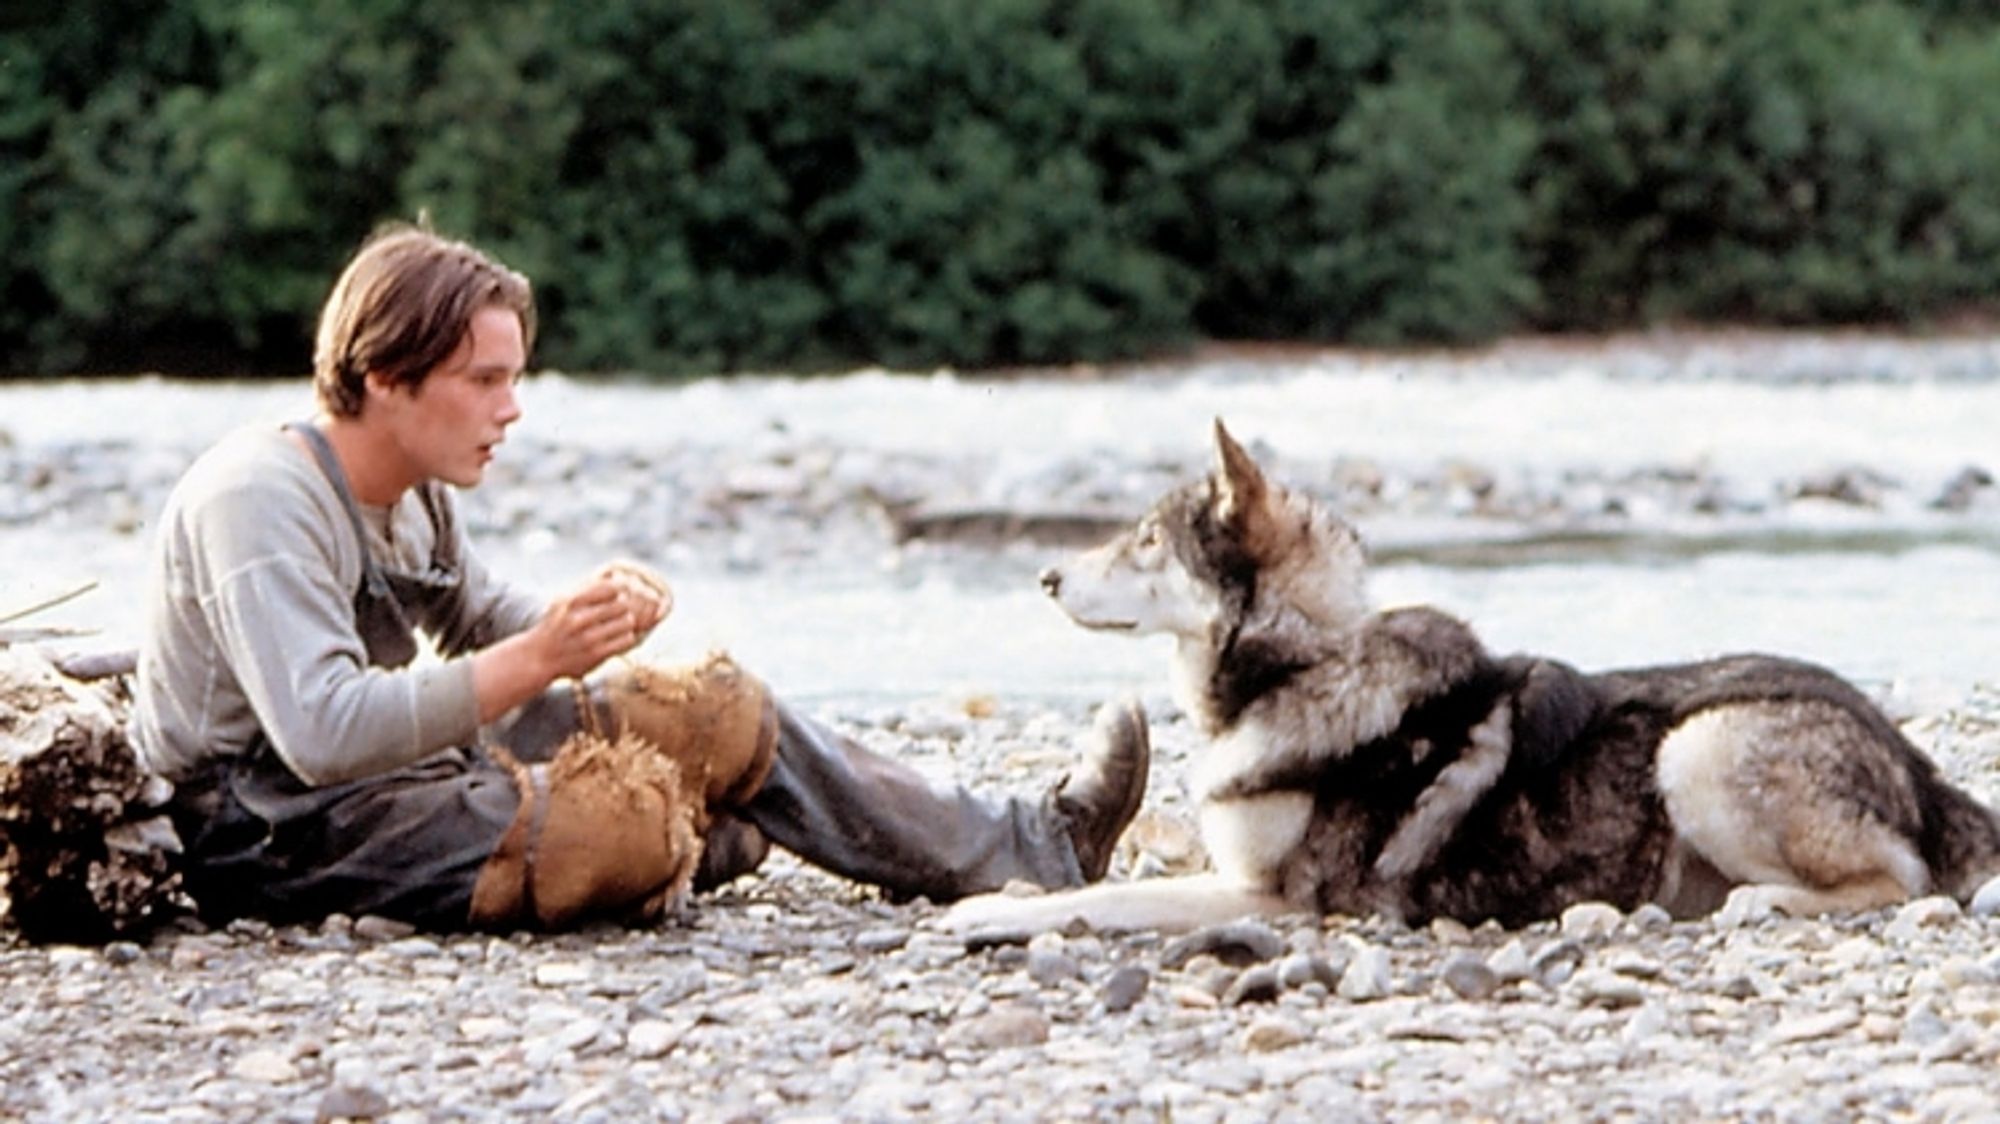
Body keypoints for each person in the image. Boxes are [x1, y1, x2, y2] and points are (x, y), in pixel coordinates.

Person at [128, 223, 1150, 932]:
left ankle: (1031, 842)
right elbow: (319, 731)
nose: (510, 408)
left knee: (716, 708)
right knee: (615, 825)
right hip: (264, 826)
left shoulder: (415, 485)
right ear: (387, 377)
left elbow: (483, 613)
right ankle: (688, 841)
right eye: (485, 380)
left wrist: (587, 620)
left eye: (513, 379)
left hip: (389, 773)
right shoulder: (256, 496)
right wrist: (536, 658)